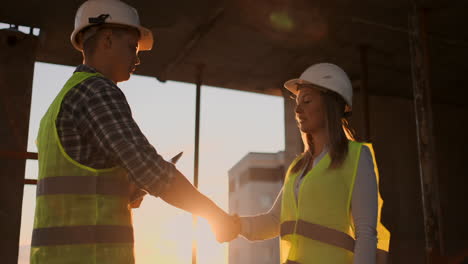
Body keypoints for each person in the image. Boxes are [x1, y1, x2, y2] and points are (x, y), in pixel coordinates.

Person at [30, 0, 238, 263]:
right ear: (107, 39)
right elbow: (151, 171)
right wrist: (214, 215)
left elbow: (78, 185)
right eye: (132, 47)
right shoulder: (97, 92)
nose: (137, 59)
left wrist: (121, 189)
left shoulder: (61, 100)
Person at [224, 63, 390, 264]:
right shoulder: (298, 167)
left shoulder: (357, 157)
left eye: (307, 101)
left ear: (331, 104)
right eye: (297, 102)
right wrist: (236, 225)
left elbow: (366, 234)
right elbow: (275, 221)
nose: (298, 109)